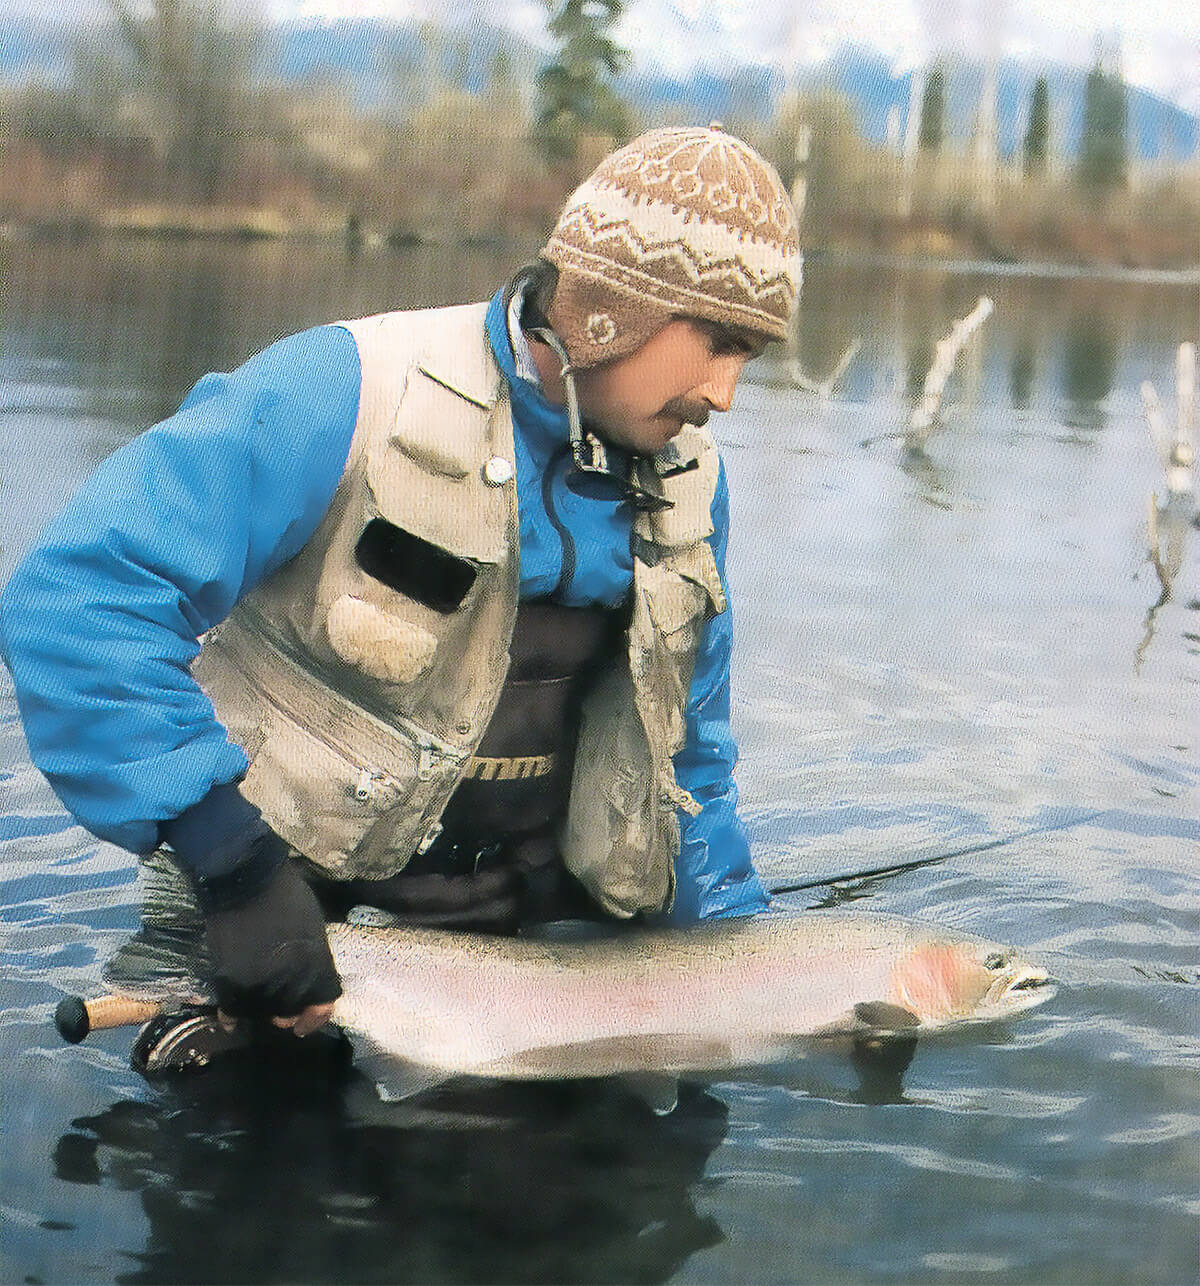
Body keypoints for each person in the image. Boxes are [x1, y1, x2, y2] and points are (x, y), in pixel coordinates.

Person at [0, 125, 801, 1045]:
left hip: (534, 951)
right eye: (720, 343)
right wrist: (235, 869)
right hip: (275, 925)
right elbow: (80, 603)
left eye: (752, 358)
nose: (727, 393)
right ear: (612, 311)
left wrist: (751, 957)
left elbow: (689, 757)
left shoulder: (693, 481)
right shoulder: (342, 389)